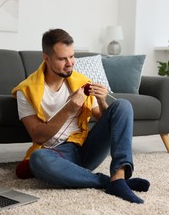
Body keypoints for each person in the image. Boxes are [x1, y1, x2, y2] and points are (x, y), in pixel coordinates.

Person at [12, 28, 150, 204]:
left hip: (86, 147)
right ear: (46, 59)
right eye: (62, 59)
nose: (70, 63)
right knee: (38, 160)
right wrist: (69, 108)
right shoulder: (26, 90)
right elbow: (38, 136)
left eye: (72, 56)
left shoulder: (81, 81)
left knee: (123, 105)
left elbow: (105, 120)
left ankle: (119, 173)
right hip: (56, 153)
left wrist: (101, 101)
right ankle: (113, 181)